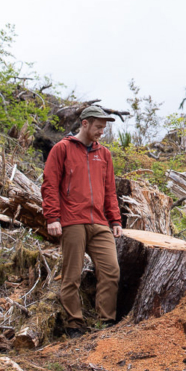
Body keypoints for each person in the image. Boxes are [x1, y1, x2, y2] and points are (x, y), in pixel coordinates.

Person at [41, 104, 123, 335]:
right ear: (84, 124)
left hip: (99, 222)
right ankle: (73, 324)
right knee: (72, 276)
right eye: (98, 127)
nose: (101, 131)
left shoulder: (104, 154)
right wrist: (52, 217)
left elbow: (110, 190)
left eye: (104, 127)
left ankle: (105, 322)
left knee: (111, 271)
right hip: (71, 221)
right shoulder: (62, 149)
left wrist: (115, 220)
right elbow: (49, 185)